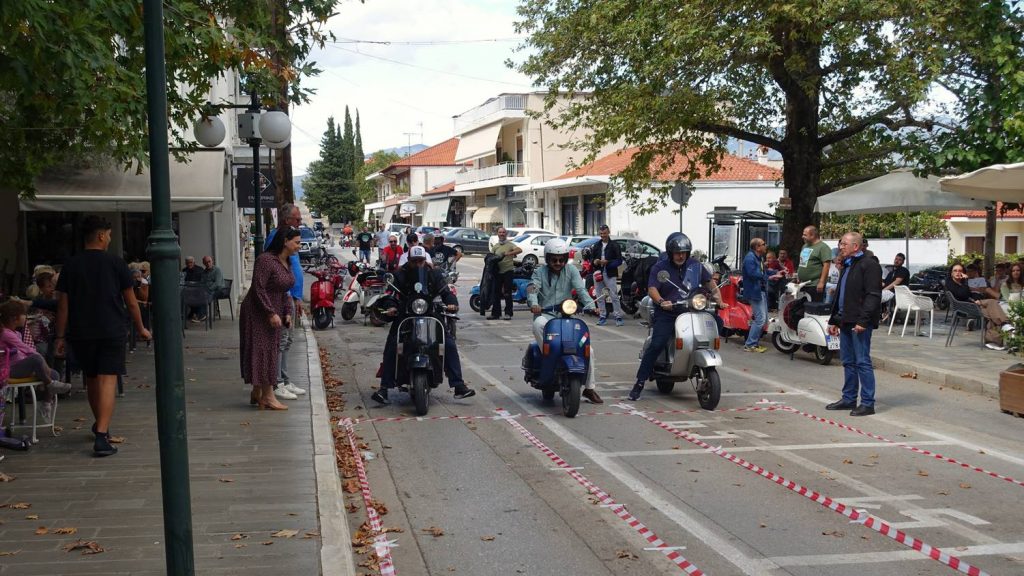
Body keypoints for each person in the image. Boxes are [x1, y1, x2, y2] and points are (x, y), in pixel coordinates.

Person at [55, 215, 151, 456]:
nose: (110, 238)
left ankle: (101, 425)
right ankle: (101, 435)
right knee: (108, 378)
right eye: (108, 234)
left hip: (81, 330)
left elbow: (63, 306)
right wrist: (140, 328)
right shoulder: (116, 263)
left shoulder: (71, 265)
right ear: (100, 235)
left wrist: (59, 337)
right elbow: (131, 303)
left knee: (92, 379)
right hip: (110, 328)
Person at [372, 246, 475, 405]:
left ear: (425, 261)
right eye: (415, 261)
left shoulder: (433, 274)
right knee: (393, 344)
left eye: (421, 261)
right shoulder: (401, 274)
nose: (418, 264)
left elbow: (446, 292)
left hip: (430, 313)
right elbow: (391, 294)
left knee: (448, 343)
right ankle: (384, 388)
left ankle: (458, 386)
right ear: (409, 261)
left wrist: (452, 304)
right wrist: (391, 306)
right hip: (406, 313)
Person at [631, 233, 725, 401]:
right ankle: (639, 382)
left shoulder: (695, 265)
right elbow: (652, 289)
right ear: (670, 252)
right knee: (657, 342)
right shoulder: (660, 268)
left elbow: (710, 283)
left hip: (692, 309)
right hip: (668, 311)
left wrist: (719, 299)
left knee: (717, 323)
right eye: (677, 252)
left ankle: (693, 361)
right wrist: (661, 301)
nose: (681, 255)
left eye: (684, 252)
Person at [526, 238, 603, 404]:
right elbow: (532, 288)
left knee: (589, 350)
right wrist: (534, 304)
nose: (558, 263)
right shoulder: (539, 272)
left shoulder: (572, 271)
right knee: (537, 324)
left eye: (562, 259)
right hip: (545, 316)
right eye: (554, 259)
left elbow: (581, 290)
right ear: (547, 259)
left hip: (566, 316)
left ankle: (589, 388)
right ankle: (549, 358)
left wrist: (591, 305)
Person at [241, 227, 300, 410]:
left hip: (274, 309)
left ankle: (258, 391)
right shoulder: (266, 260)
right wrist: (270, 312)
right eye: (297, 242)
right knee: (262, 350)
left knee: (270, 350)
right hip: (257, 311)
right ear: (285, 241)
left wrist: (286, 312)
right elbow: (259, 288)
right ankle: (268, 396)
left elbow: (283, 291)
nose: (299, 246)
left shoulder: (287, 262)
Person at [825, 232, 881, 417]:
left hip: (859, 322)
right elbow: (840, 293)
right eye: (840, 244)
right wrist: (834, 320)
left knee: (862, 361)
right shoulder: (847, 264)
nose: (841, 247)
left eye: (844, 244)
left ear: (855, 247)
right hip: (845, 319)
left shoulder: (869, 265)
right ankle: (848, 398)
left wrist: (863, 321)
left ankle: (867, 402)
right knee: (848, 361)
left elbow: (873, 296)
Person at [1, 300, 71, 422]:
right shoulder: (6, 334)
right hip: (10, 369)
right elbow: (26, 349)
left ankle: (46, 404)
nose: (26, 318)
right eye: (24, 314)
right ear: (14, 318)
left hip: (22, 366)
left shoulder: (16, 332)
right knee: (35, 358)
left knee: (54, 374)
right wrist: (42, 361)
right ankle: (50, 384)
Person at [264, 204, 306, 400]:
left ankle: (285, 379)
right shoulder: (277, 237)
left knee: (288, 340)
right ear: (287, 220)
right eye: (297, 220)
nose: (300, 222)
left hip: (291, 296)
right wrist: (287, 296)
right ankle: (277, 382)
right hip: (283, 296)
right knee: (281, 340)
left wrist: (297, 297)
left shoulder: (291, 242)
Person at [741, 238, 778, 353]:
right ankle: (750, 344)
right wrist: (769, 277)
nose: (765, 246)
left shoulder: (758, 257)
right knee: (760, 319)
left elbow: (763, 272)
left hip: (760, 291)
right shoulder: (750, 258)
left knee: (764, 319)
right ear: (757, 247)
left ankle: (754, 343)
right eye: (763, 244)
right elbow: (753, 274)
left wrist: (776, 273)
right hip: (754, 292)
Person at [588, 224, 625, 327]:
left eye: (604, 233)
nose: (602, 236)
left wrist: (607, 262)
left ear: (608, 232)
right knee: (600, 296)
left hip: (610, 273)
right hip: (598, 273)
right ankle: (602, 316)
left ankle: (618, 317)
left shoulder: (614, 245)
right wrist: (594, 262)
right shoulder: (596, 245)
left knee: (614, 295)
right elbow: (591, 259)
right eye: (601, 234)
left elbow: (619, 260)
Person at [489, 227, 522, 320]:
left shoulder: (510, 244)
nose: (502, 234)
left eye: (503, 232)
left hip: (508, 271)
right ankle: (496, 314)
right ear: (498, 234)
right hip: (497, 272)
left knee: (507, 293)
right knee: (496, 293)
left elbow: (519, 250)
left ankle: (508, 313)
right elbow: (491, 257)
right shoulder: (495, 246)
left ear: (506, 234)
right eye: (500, 232)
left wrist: (508, 253)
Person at [797, 225, 832, 302]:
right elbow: (802, 262)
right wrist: (798, 276)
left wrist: (821, 282)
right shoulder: (805, 246)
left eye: (805, 235)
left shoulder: (823, 247)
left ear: (812, 235)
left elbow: (826, 266)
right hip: (803, 284)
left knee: (812, 310)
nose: (802, 236)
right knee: (800, 309)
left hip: (814, 285)